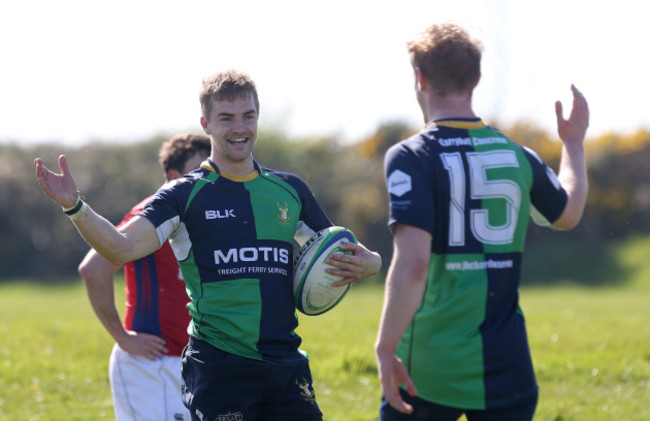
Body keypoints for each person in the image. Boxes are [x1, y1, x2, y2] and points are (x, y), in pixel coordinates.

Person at [35, 69, 382, 421]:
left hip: (285, 364)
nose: (239, 128)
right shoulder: (183, 194)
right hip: (220, 366)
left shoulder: (290, 191)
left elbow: (342, 252)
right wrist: (74, 206)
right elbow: (120, 248)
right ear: (206, 123)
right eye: (226, 118)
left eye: (248, 116)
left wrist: (371, 264)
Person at [374, 22, 589, 420]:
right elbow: (569, 213)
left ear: (419, 77)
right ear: (477, 77)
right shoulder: (516, 154)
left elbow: (413, 263)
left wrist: (386, 348)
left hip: (429, 368)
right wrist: (573, 144)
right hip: (509, 369)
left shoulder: (410, 155)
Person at [78, 133, 211, 421]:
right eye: (199, 171)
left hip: (197, 365)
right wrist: (123, 337)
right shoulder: (151, 215)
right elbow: (93, 268)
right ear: (174, 176)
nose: (209, 179)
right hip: (152, 366)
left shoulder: (210, 217)